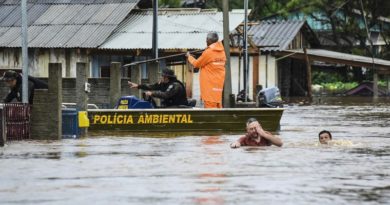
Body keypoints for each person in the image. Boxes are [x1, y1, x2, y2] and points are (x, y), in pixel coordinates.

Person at [186, 32, 226, 108]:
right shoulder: (222, 52)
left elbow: (197, 64)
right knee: (218, 108)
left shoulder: (209, 52)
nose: (206, 41)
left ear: (209, 40)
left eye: (206, 40)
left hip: (209, 88)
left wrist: (189, 57)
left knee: (210, 112)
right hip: (218, 87)